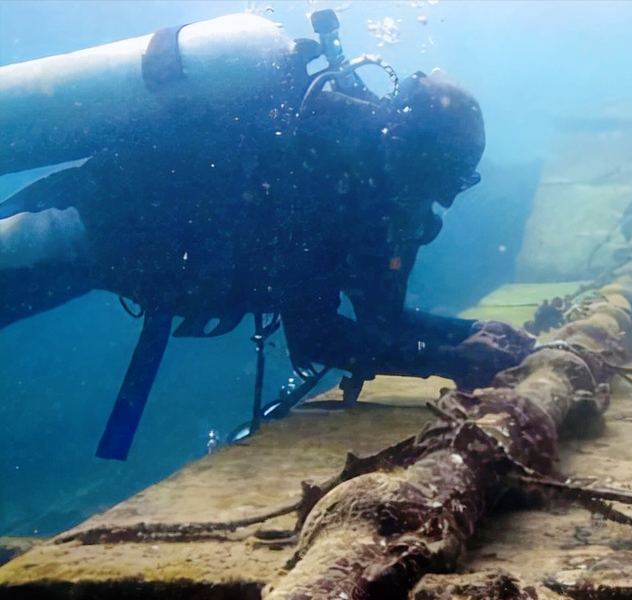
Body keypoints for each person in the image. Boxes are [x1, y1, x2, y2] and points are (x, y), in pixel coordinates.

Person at [0, 32, 534, 459]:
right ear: (412, 156)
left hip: (110, 256)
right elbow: (317, 339)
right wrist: (446, 360)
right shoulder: (317, 178)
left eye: (454, 183)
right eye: (441, 177)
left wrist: (471, 336)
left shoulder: (378, 199)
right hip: (77, 225)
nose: (440, 201)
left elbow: (381, 320)